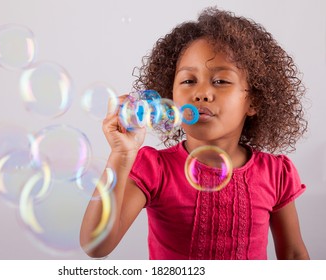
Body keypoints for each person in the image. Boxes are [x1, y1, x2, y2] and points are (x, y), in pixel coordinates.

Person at [80, 7, 310, 260]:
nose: (201, 93)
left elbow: (293, 254)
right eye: (188, 81)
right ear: (171, 97)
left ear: (254, 101)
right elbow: (95, 245)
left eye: (221, 81)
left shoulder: (276, 173)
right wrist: (122, 155)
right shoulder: (154, 168)